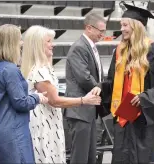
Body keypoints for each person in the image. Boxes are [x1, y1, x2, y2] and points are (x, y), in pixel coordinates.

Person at [99, 4, 154, 163]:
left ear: (137, 27)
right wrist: (98, 88)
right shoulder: (120, 52)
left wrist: (145, 97)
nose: (122, 29)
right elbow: (112, 82)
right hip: (122, 117)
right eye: (121, 25)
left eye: (125, 25)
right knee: (121, 157)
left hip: (144, 120)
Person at [20, 25, 101, 164]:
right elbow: (55, 101)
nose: (53, 45)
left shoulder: (44, 68)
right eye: (48, 41)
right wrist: (83, 100)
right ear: (38, 45)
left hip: (50, 120)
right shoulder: (39, 71)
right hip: (43, 124)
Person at [0, 24, 48, 164]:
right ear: (11, 43)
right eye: (19, 39)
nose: (22, 43)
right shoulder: (10, 70)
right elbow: (21, 102)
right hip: (14, 131)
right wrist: (37, 97)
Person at [64, 13, 107, 164]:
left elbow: (98, 76)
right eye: (100, 31)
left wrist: (101, 86)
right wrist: (102, 88)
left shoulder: (91, 47)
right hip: (79, 110)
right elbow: (84, 78)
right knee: (80, 156)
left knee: (90, 155)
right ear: (89, 28)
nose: (103, 34)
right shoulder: (79, 47)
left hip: (89, 109)